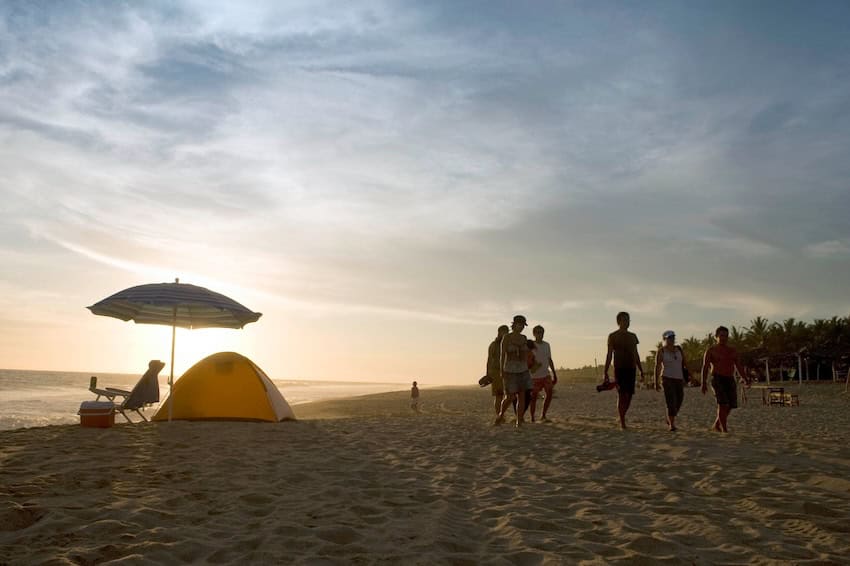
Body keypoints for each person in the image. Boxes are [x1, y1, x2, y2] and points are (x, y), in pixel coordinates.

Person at [701, 326, 748, 432]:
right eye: (721, 336)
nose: (723, 338)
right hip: (717, 378)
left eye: (726, 336)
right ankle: (724, 429)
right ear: (716, 337)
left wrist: (745, 378)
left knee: (731, 405)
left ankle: (717, 424)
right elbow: (705, 367)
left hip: (730, 378)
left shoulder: (732, 351)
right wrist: (703, 383)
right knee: (722, 404)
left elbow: (738, 366)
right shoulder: (711, 350)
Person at [604, 312, 644, 429]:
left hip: (631, 368)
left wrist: (641, 369)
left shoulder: (633, 336)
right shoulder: (613, 336)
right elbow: (609, 354)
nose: (626, 322)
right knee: (622, 395)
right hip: (619, 368)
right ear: (619, 322)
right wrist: (605, 371)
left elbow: (636, 354)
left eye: (628, 320)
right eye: (624, 320)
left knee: (629, 395)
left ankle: (622, 415)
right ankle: (622, 421)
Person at [495, 315, 531, 427]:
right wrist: (502, 370)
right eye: (520, 325)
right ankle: (501, 415)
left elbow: (526, 354)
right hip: (510, 369)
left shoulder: (524, 338)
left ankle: (519, 421)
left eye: (523, 325)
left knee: (522, 396)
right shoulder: (507, 338)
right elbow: (502, 355)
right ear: (514, 325)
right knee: (510, 396)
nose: (521, 327)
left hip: (523, 369)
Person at [654, 330, 688, 431]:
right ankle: (672, 424)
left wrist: (691, 376)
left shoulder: (679, 349)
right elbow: (657, 366)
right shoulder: (661, 351)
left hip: (679, 378)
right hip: (667, 378)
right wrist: (656, 382)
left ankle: (670, 417)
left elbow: (685, 363)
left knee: (679, 399)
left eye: (673, 337)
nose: (671, 339)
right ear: (664, 339)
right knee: (671, 401)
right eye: (669, 338)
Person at [528, 325, 558, 422]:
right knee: (533, 397)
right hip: (534, 376)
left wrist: (554, 373)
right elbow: (527, 359)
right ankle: (532, 417)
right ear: (534, 334)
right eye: (538, 332)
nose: (540, 334)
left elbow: (549, 359)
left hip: (545, 374)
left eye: (541, 332)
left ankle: (543, 415)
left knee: (549, 393)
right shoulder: (531, 345)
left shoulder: (546, 345)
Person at [486, 325, 510, 415]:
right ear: (499, 332)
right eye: (504, 331)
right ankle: (499, 415)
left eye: (507, 332)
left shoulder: (509, 344)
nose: (505, 334)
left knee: (510, 395)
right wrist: (488, 374)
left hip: (508, 371)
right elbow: (489, 360)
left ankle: (502, 414)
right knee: (499, 395)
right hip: (496, 372)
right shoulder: (493, 345)